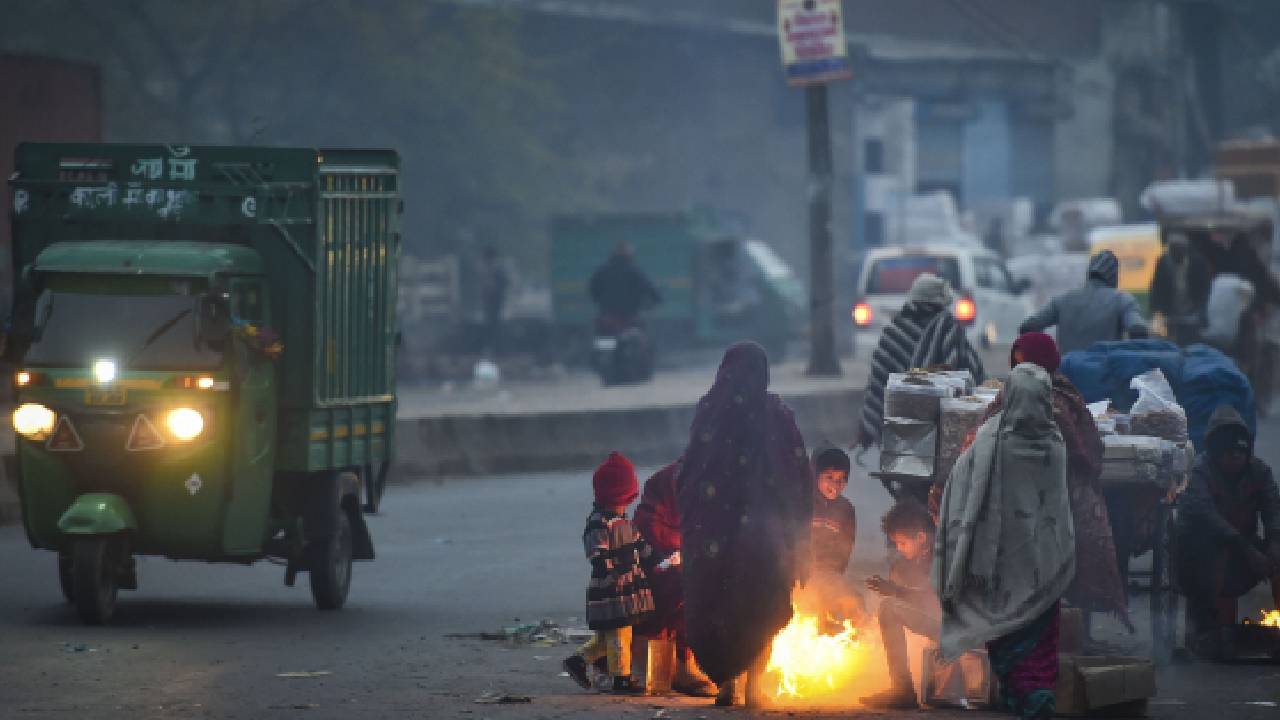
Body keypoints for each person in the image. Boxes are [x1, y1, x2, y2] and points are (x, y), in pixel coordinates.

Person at [930, 332, 1129, 629]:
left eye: (1024, 361)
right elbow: (976, 448)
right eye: (1017, 361)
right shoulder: (1013, 397)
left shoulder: (1056, 401)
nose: (1019, 367)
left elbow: (1081, 453)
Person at [934, 363, 1075, 720]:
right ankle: (1036, 694)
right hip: (1044, 562)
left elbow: (960, 487)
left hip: (999, 564)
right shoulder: (1055, 443)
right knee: (1037, 635)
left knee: (1008, 631)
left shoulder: (991, 441)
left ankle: (1023, 695)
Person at [677, 342, 812, 707]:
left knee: (720, 606)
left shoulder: (710, 412)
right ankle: (753, 689)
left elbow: (690, 474)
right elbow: (798, 476)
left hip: (714, 539)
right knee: (760, 608)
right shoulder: (777, 415)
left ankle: (726, 686)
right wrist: (799, 537)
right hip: (763, 540)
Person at [1176, 405, 1280, 659]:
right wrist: (1248, 552)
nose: (1235, 457)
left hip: (1247, 550)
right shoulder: (1199, 473)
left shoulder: (1260, 472)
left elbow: (1272, 508)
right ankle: (1213, 629)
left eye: (1240, 452)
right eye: (1228, 452)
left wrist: (1275, 541)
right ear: (1215, 453)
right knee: (1213, 549)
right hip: (1202, 558)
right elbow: (1209, 520)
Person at [563, 452, 670, 695]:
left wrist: (660, 559)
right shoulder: (601, 522)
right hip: (613, 591)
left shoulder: (623, 520)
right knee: (620, 636)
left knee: (606, 638)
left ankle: (578, 661)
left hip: (624, 589)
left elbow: (641, 546)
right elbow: (596, 552)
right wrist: (611, 569)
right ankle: (621, 678)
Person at [632, 458, 718, 697]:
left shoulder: (712, 483)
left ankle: (685, 665)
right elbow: (648, 530)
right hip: (652, 567)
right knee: (676, 592)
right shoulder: (665, 489)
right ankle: (655, 667)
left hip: (681, 562)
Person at [856, 273, 955, 448]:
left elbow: (877, 384)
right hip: (944, 433)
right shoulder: (950, 331)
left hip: (898, 433)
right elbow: (970, 377)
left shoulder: (893, 332)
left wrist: (867, 427)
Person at [861, 499, 940, 710]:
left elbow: (934, 599)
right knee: (887, 606)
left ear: (921, 537)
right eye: (896, 543)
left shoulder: (943, 555)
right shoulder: (906, 563)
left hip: (958, 628)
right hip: (941, 625)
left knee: (889, 608)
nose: (899, 548)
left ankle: (903, 690)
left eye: (903, 543)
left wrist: (896, 591)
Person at [1019, 250, 1148, 355]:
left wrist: (1046, 356)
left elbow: (1029, 326)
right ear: (1114, 276)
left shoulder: (1063, 300)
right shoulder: (1122, 300)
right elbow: (1138, 329)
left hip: (1068, 376)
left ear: (1089, 273)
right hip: (1106, 376)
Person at [1149, 233, 1211, 346]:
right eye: (1172, 250)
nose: (1174, 254)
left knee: (1191, 342)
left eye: (1178, 250)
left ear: (1185, 249)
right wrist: (1155, 311)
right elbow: (1156, 287)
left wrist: (1200, 311)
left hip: (1193, 312)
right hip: (1171, 313)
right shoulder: (1163, 262)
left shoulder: (1198, 263)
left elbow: (1205, 289)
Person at [589, 242, 662, 333]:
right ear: (630, 255)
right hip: (631, 315)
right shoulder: (635, 272)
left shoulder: (602, 271)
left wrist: (601, 302)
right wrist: (656, 300)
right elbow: (650, 289)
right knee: (642, 338)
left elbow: (593, 290)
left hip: (607, 316)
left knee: (603, 341)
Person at [811, 447, 856, 577]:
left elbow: (844, 552)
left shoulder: (846, 510)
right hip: (798, 575)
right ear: (816, 476)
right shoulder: (802, 502)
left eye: (841, 479)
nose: (835, 485)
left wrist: (833, 579)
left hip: (828, 577)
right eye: (829, 477)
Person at [479, 245, 509, 355]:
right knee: (492, 323)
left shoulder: (497, 268)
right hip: (490, 299)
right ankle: (494, 347)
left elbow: (504, 283)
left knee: (494, 323)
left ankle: (496, 347)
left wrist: (496, 289)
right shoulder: (489, 268)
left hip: (495, 299)